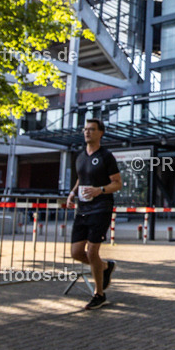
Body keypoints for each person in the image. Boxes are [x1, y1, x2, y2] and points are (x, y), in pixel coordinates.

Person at [67, 119, 123, 310]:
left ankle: (99, 294)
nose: (87, 132)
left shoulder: (106, 156)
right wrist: (73, 193)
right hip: (82, 209)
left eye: (92, 129)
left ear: (101, 133)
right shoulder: (80, 156)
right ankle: (106, 266)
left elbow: (117, 183)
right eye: (85, 129)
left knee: (92, 252)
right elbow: (80, 179)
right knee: (76, 253)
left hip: (101, 208)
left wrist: (100, 189)